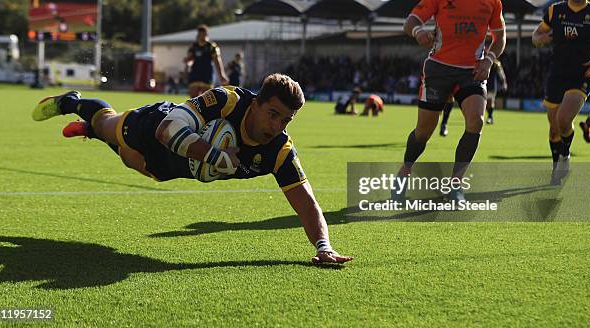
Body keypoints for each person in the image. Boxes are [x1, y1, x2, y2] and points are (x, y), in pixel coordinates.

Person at [31, 74, 352, 265]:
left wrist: (323, 246)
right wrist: (214, 155)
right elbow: (167, 130)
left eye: (285, 119)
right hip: (155, 124)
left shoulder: (278, 149)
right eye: (272, 114)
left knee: (132, 162)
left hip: (168, 167)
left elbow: (307, 203)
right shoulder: (227, 100)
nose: (276, 125)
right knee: (107, 125)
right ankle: (72, 103)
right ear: (255, 103)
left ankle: (90, 131)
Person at [396, 0, 506, 203]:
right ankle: (405, 171)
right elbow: (410, 22)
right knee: (424, 132)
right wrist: (418, 32)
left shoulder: (490, 0)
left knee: (476, 121)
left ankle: (455, 184)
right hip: (439, 69)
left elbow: (500, 37)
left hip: (472, 71)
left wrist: (489, 60)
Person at [532, 0, 590, 184]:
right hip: (556, 73)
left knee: (563, 119)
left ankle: (566, 155)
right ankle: (556, 169)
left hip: (582, 73)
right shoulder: (554, 10)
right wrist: (543, 38)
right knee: (554, 129)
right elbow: (536, 35)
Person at [184, 24, 228, 97]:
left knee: (207, 99)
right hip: (195, 74)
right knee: (193, 98)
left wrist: (222, 75)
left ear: (206, 34)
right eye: (199, 34)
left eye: (203, 34)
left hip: (207, 75)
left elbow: (217, 61)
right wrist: (186, 67)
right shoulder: (193, 46)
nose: (201, 36)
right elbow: (190, 59)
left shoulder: (212, 46)